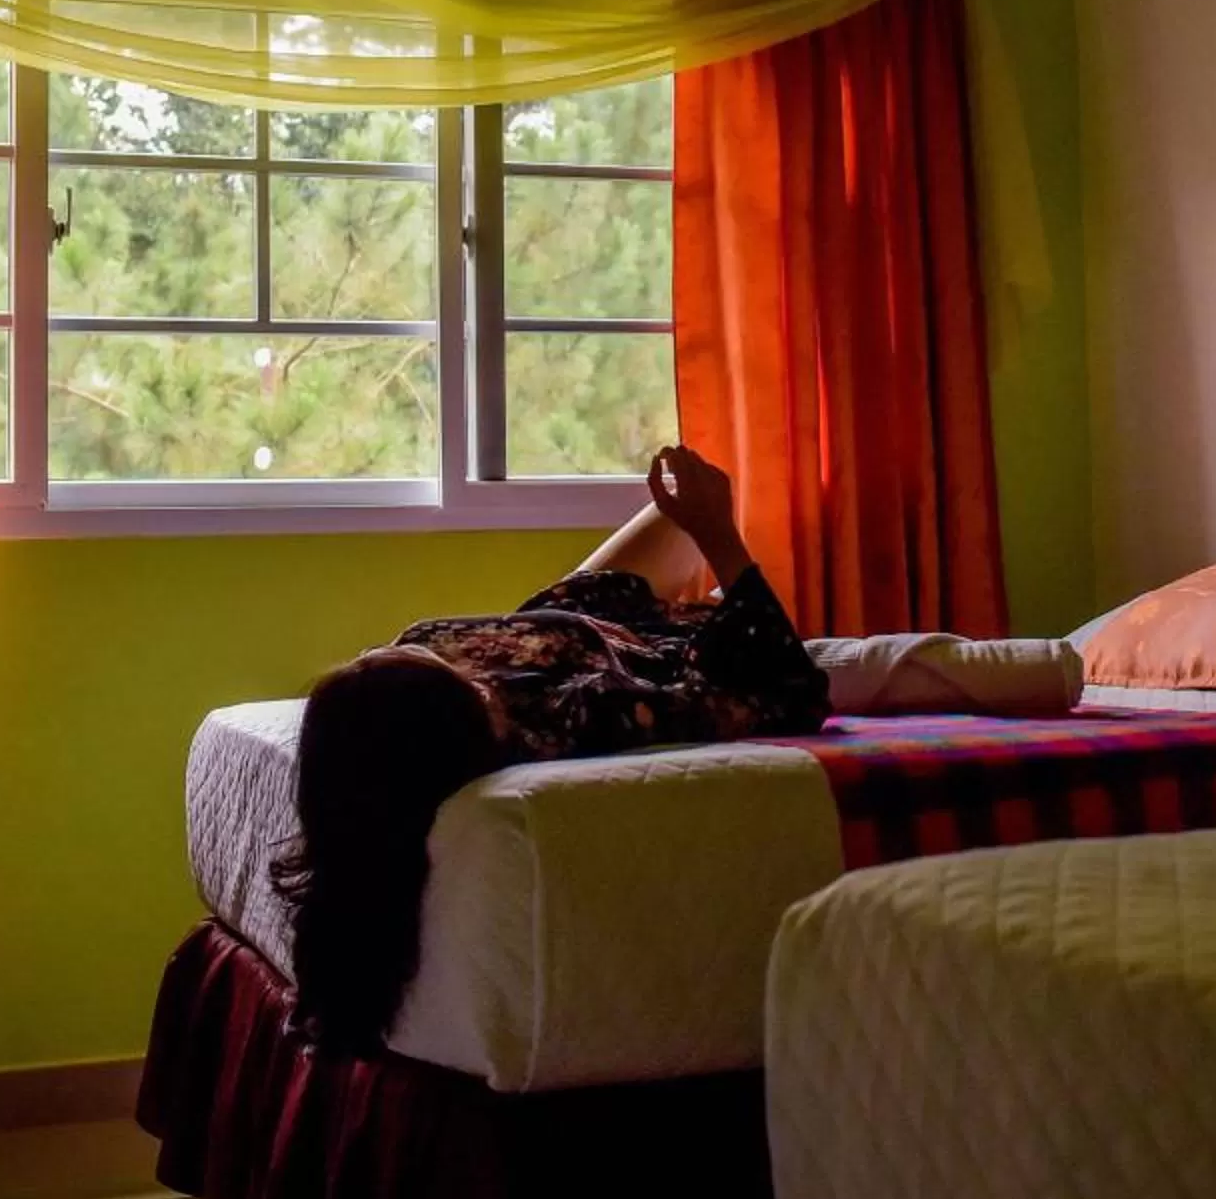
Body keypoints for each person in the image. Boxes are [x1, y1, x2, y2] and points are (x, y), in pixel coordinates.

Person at [273, 445, 830, 1051]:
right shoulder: (576, 715)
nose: (377, 651)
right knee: (717, 503)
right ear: (476, 703)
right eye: (389, 660)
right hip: (633, 643)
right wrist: (721, 541)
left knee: (677, 503)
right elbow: (788, 692)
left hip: (571, 613)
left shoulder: (399, 710)